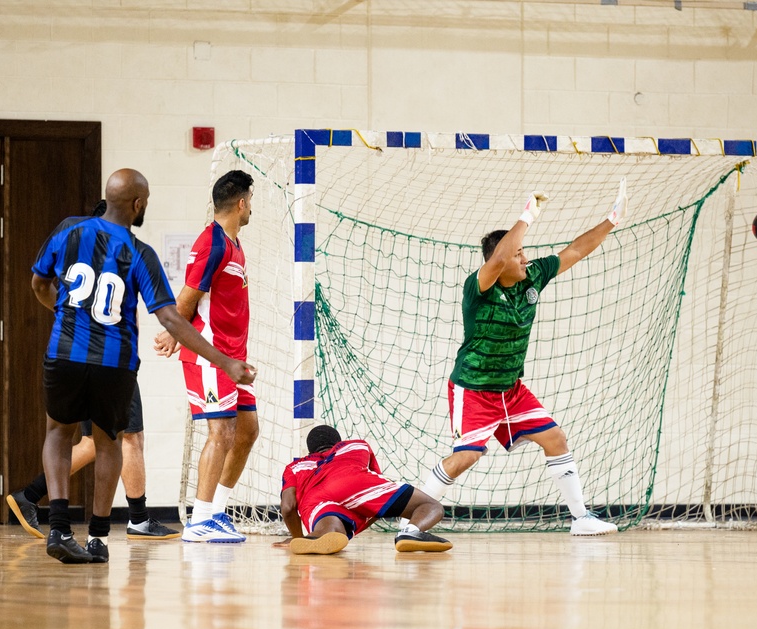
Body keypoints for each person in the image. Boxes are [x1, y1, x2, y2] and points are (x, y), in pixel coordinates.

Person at [32, 168, 255, 564]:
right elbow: (170, 317)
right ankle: (99, 538)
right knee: (109, 442)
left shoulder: (68, 232)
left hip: (64, 352)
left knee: (58, 434)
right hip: (112, 361)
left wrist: (62, 312)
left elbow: (38, 283)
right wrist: (223, 360)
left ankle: (60, 528)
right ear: (137, 205)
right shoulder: (139, 252)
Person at [411, 180, 630, 537]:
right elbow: (499, 257)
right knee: (466, 457)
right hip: (474, 390)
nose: (524, 258)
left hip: (511, 391)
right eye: (518, 254)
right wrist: (528, 213)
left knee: (555, 438)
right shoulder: (479, 288)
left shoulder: (533, 279)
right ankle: (411, 522)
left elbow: (575, 251)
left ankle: (581, 519)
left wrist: (612, 220)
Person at [153, 170, 259, 544]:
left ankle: (216, 512)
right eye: (251, 200)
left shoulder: (234, 242)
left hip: (235, 359)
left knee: (248, 431)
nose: (251, 208)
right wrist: (172, 332)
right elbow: (188, 296)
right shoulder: (212, 242)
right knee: (221, 432)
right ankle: (198, 521)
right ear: (242, 203)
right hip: (211, 357)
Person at [6, 382, 180, 541]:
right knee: (129, 436)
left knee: (94, 443)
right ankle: (138, 520)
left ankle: (30, 494)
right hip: (109, 361)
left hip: (85, 365)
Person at [277, 425, 452, 555]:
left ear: (310, 450)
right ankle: (411, 532)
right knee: (431, 506)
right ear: (338, 441)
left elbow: (288, 507)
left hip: (315, 499)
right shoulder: (356, 445)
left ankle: (318, 535)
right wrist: (364, 516)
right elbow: (374, 495)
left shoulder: (295, 466)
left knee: (332, 527)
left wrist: (296, 536)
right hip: (355, 482)